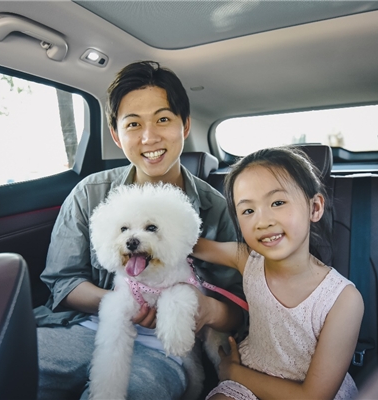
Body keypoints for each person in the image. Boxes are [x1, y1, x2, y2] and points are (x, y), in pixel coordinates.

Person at [33, 60, 245, 400]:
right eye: (133, 124)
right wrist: (122, 304)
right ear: (116, 135)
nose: (149, 137)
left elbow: (239, 307)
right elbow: (62, 282)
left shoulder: (216, 207)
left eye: (163, 119)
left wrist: (206, 310)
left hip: (165, 350)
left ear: (185, 125)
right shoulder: (89, 194)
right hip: (81, 327)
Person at [192, 147, 364, 400]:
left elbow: (312, 397)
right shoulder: (247, 259)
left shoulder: (343, 300)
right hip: (249, 379)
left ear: (315, 207)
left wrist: (233, 372)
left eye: (278, 203)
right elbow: (187, 243)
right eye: (248, 211)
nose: (263, 221)